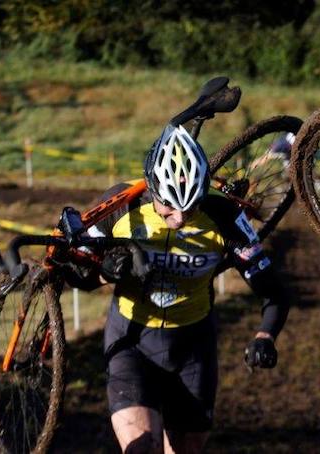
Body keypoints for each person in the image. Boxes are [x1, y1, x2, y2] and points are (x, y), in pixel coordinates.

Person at [67, 124, 290, 453]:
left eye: (191, 207)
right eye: (170, 208)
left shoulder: (224, 218)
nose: (180, 219)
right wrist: (103, 273)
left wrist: (265, 335)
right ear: (153, 190)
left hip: (192, 348)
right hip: (131, 342)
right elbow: (74, 275)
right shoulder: (121, 206)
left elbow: (274, 291)